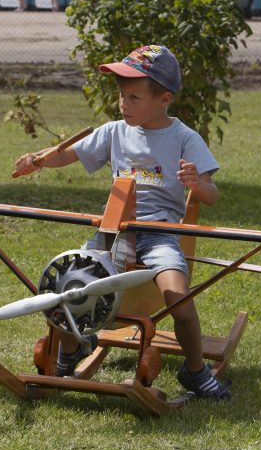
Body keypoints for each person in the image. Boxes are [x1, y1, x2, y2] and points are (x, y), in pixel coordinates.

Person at [12, 45, 232, 401]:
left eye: (133, 96)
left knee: (180, 300)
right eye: (120, 95)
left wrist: (198, 184)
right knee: (69, 287)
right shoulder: (114, 131)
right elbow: (70, 152)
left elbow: (213, 195)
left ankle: (196, 372)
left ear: (164, 98)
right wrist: (38, 161)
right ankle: (71, 352)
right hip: (112, 232)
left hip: (161, 235)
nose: (123, 104)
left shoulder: (184, 138)